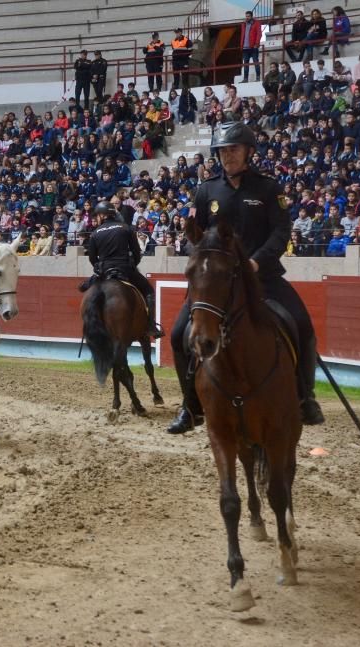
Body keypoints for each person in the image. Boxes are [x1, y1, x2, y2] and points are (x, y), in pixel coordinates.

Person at [167, 122, 324, 435]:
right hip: (218, 283)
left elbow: (281, 232)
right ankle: (190, 406)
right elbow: (194, 236)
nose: (228, 156)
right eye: (223, 151)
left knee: (302, 325)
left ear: (249, 151)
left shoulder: (268, 188)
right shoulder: (207, 190)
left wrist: (256, 262)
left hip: (261, 277)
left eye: (234, 149)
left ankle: (305, 397)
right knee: (177, 335)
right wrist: (198, 256)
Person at [86, 202, 161, 338]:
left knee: (86, 291)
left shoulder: (95, 233)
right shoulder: (126, 228)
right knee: (149, 292)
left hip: (104, 271)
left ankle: (88, 324)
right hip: (125, 269)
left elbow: (92, 258)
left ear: (103, 215)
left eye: (97, 215)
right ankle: (150, 325)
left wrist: (99, 267)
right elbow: (136, 252)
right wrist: (133, 264)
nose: (96, 218)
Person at [240, 10, 263, 83]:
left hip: (253, 47)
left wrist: (256, 44)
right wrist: (241, 45)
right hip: (245, 47)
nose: (247, 18)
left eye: (248, 16)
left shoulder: (256, 23)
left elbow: (259, 34)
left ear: (251, 16)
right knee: (245, 64)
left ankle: (258, 77)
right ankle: (245, 79)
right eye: (246, 16)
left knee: (256, 62)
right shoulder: (243, 24)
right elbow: (242, 35)